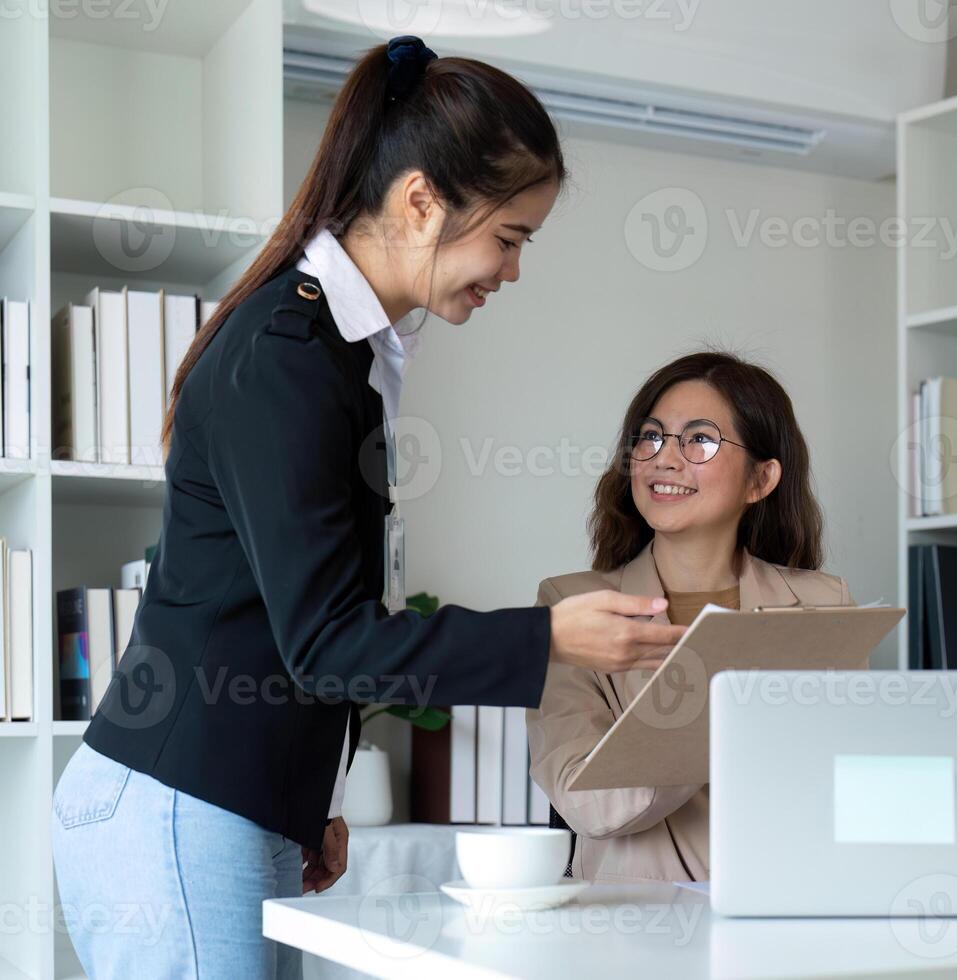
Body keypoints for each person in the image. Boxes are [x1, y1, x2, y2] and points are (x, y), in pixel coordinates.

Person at [50, 36, 683, 978]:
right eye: (508, 239)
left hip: (223, 798)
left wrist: (305, 796)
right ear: (422, 199)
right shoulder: (290, 354)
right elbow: (328, 638)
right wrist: (548, 636)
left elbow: (289, 620)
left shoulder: (338, 351)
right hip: (179, 802)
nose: (510, 272)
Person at [527, 351, 854, 883]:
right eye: (650, 437)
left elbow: (842, 784)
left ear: (761, 479)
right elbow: (589, 799)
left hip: (784, 917)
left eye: (699, 440)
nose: (663, 459)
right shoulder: (571, 606)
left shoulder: (823, 603)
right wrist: (735, 698)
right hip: (627, 935)